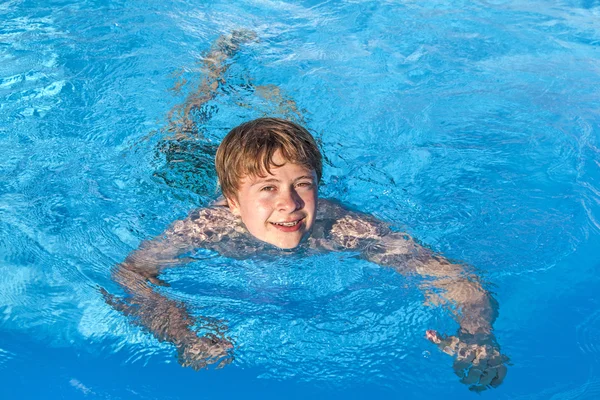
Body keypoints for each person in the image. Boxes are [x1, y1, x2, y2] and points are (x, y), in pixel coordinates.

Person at [105, 31, 508, 393]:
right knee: (183, 134)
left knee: (291, 136)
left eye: (303, 185)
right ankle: (213, 69)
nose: (290, 204)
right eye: (268, 189)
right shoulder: (208, 226)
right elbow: (130, 274)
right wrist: (180, 331)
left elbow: (453, 276)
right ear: (231, 201)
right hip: (185, 177)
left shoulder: (343, 227)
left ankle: (274, 111)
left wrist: (477, 334)